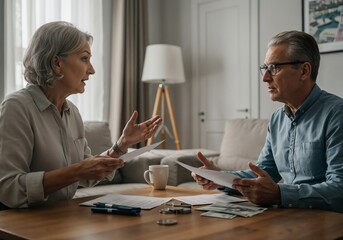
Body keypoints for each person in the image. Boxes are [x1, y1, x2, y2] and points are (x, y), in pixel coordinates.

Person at [0, 21, 162, 209]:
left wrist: (122, 144)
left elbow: (87, 174)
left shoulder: (72, 112)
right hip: (24, 224)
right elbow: (8, 188)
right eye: (84, 59)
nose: (91, 70)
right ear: (57, 63)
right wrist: (76, 171)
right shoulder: (17, 107)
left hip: (64, 217)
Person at [192, 30, 343, 213]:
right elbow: (264, 171)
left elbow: (339, 188)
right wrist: (219, 177)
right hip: (290, 216)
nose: (265, 78)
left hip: (326, 220)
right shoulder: (278, 119)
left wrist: (280, 194)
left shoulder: (336, 114)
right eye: (265, 69)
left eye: (274, 68)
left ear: (304, 71)